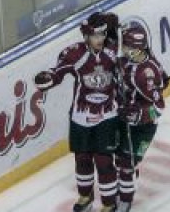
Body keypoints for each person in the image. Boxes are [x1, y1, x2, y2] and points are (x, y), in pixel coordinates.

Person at [34, 12, 121, 212]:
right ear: (86, 36)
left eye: (102, 34)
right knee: (82, 159)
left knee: (104, 160)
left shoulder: (114, 50)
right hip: (80, 116)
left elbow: (131, 68)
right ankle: (85, 197)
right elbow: (58, 72)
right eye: (95, 36)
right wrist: (49, 79)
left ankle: (109, 204)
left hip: (107, 115)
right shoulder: (74, 53)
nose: (100, 39)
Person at [114, 24, 169, 212]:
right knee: (120, 160)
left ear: (136, 48)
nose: (123, 48)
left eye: (126, 45)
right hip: (124, 121)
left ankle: (125, 202)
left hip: (143, 128)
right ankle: (123, 188)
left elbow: (159, 108)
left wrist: (139, 114)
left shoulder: (144, 74)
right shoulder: (128, 62)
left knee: (127, 164)